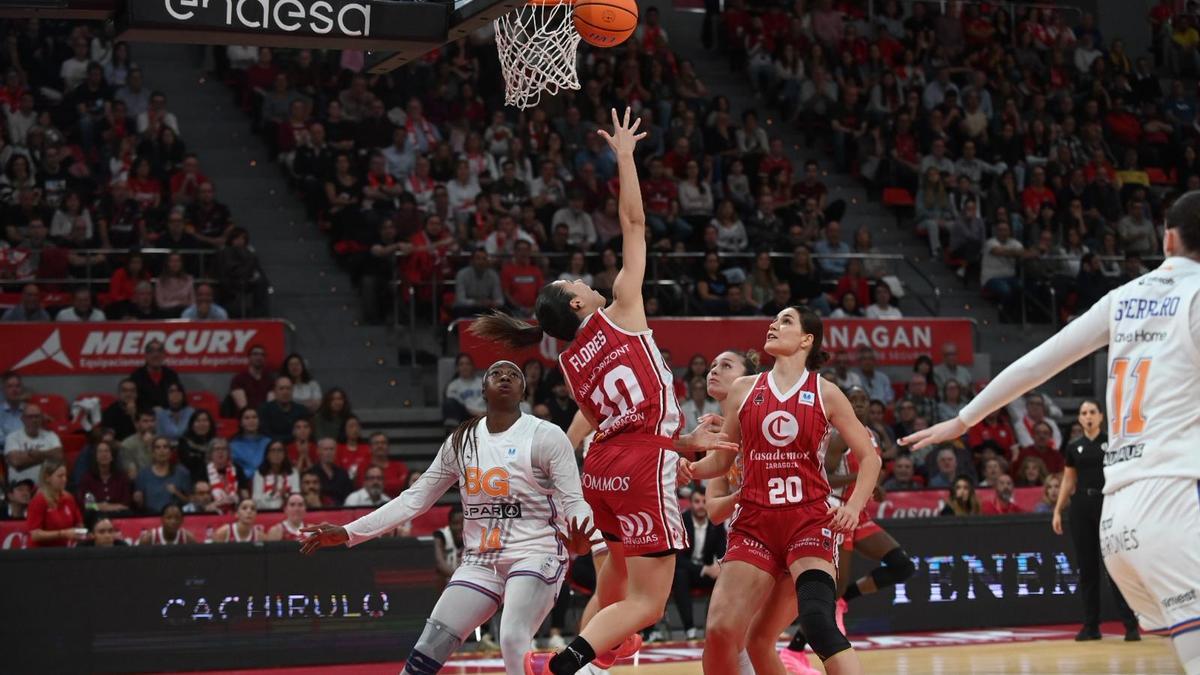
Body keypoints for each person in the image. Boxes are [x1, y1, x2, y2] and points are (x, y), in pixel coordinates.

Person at [468, 110, 733, 675]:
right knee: (648, 601)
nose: (585, 281)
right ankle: (570, 663)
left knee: (615, 582)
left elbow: (600, 419)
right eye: (576, 285)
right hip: (638, 464)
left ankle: (590, 667)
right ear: (578, 305)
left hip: (602, 469)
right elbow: (634, 223)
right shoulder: (622, 308)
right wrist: (626, 157)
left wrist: (678, 443)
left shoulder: (568, 358)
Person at [904, 191, 1200, 675]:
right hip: (1177, 497)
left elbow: (1037, 363)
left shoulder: (1122, 299)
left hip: (1120, 520)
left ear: (1166, 238)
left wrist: (964, 419)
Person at [300, 360, 595, 675]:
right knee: (430, 644)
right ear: (483, 389)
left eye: (514, 375)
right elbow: (415, 498)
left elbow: (575, 501)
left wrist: (581, 538)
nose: (505, 377)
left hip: (536, 553)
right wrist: (349, 532)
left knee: (511, 636)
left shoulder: (546, 436)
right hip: (481, 560)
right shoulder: (462, 439)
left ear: (524, 390)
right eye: (496, 373)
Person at [687, 307, 881, 675]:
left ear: (807, 339)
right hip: (755, 523)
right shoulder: (744, 389)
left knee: (818, 624)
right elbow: (721, 461)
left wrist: (854, 507)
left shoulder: (826, 392)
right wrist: (690, 466)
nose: (774, 325)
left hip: (807, 521)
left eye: (786, 321)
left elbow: (869, 457)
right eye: (774, 320)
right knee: (721, 632)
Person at [785, 386, 914, 670]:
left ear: (870, 405)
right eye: (852, 400)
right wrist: (860, 475)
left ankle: (846, 600)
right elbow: (824, 478)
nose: (857, 404)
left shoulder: (871, 434)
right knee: (831, 588)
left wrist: (872, 486)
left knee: (901, 565)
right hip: (836, 511)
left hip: (859, 513)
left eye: (862, 400)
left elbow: (865, 472)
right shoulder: (837, 434)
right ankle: (794, 650)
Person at [1052, 400, 1140, 642]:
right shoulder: (1073, 447)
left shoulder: (1112, 444)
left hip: (1107, 504)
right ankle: (1091, 626)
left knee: (1115, 566)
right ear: (1079, 419)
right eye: (1083, 413)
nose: (1088, 416)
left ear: (1101, 416)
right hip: (1081, 506)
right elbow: (1069, 481)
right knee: (1087, 568)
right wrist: (1058, 509)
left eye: (1092, 412)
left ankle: (1130, 624)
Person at [667, 487, 725, 641]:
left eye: (704, 502)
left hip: (705, 572)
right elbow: (677, 559)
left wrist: (719, 567)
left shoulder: (716, 523)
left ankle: (714, 629)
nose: (700, 505)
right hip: (686, 571)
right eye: (697, 502)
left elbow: (723, 553)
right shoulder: (682, 522)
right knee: (680, 575)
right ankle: (689, 629)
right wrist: (704, 568)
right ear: (690, 503)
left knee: (724, 576)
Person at [27, 461, 85, 548]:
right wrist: (63, 534)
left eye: (65, 475)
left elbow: (79, 524)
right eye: (60, 476)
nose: (64, 479)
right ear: (47, 478)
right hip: (40, 554)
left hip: (64, 551)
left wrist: (82, 533)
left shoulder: (69, 498)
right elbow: (35, 535)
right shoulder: (39, 501)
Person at [5, 403, 63, 485]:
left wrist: (37, 454)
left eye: (37, 416)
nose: (34, 420)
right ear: (23, 419)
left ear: (42, 418)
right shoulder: (12, 437)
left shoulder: (51, 436)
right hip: (20, 488)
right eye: (30, 417)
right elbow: (16, 462)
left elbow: (59, 456)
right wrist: (47, 456)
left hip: (47, 488)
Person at [133, 436, 191, 514]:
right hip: (150, 517)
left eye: (165, 447)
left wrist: (177, 493)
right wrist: (138, 500)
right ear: (153, 452)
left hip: (175, 517)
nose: (162, 450)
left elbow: (190, 502)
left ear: (170, 452)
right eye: (158, 447)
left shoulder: (182, 472)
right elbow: (139, 506)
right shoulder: (143, 474)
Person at [75, 440, 133, 515]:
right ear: (95, 457)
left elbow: (126, 504)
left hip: (119, 515)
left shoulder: (121, 477)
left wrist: (105, 507)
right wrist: (103, 507)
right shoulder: (88, 478)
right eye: (100, 451)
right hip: (96, 516)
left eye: (106, 451)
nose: (104, 454)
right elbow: (88, 505)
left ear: (112, 456)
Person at [128, 340, 182, 411]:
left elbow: (178, 399)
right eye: (151, 351)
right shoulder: (136, 376)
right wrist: (150, 410)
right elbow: (132, 401)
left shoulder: (171, 375)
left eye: (159, 351)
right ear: (146, 355)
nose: (156, 355)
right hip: (144, 417)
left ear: (163, 355)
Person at [258, 375, 310, 442]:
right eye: (281, 388)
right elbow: (266, 435)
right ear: (275, 391)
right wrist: (293, 437)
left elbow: (305, 434)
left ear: (292, 391)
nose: (285, 392)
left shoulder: (302, 410)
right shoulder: (264, 409)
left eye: (288, 388)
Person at [252, 441, 299, 510]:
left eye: (280, 450)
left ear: (285, 454)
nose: (276, 454)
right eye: (273, 450)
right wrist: (273, 495)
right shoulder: (260, 473)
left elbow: (296, 496)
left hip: (288, 511)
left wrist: (284, 496)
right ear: (267, 455)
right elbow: (256, 500)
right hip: (265, 512)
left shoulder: (292, 473)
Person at [227, 344, 272, 415]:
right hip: (246, 418)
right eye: (255, 354)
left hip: (265, 417)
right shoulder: (238, 379)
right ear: (249, 357)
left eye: (262, 355)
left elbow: (270, 405)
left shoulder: (270, 379)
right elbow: (243, 407)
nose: (259, 357)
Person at [230, 407, 271, 479]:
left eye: (254, 417)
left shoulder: (268, 442)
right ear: (241, 422)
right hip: (242, 482)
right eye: (247, 418)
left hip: (267, 480)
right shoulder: (232, 446)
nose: (251, 421)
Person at [205, 438, 241, 514]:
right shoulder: (203, 471)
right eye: (217, 449)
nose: (220, 452)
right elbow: (200, 500)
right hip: (212, 512)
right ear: (210, 453)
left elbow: (244, 494)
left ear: (228, 453)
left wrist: (237, 499)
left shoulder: (237, 469)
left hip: (236, 511)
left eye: (224, 449)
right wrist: (218, 503)